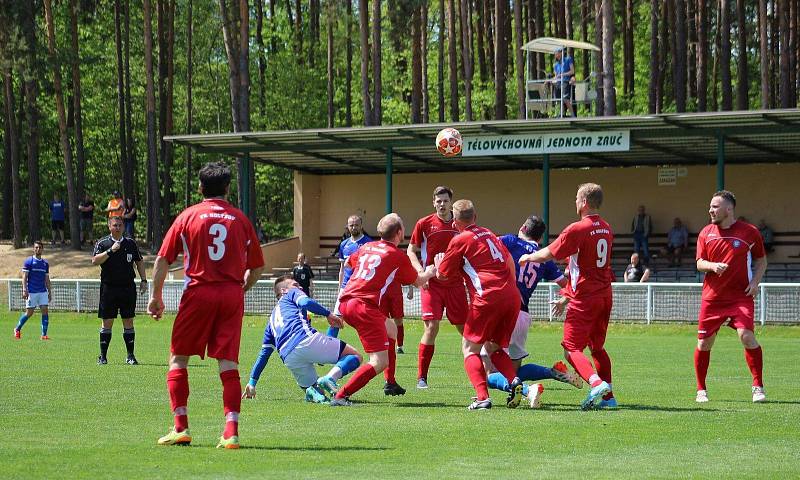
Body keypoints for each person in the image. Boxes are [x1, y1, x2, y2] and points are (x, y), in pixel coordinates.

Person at [148, 161, 265, 449]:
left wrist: (156, 296)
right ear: (227, 188)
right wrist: (241, 288)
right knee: (228, 363)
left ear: (201, 188)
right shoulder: (240, 219)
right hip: (230, 295)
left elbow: (163, 259)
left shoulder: (188, 216)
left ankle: (181, 428)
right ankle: (231, 432)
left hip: (198, 293)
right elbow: (258, 267)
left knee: (178, 359)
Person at [519, 183, 616, 410]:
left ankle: (595, 383)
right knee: (598, 348)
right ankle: (609, 398)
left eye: (576, 198)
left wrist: (528, 258)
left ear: (583, 202)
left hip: (585, 298)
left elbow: (550, 252)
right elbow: (582, 266)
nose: (574, 202)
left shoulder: (578, 229)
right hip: (604, 295)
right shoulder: (607, 228)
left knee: (571, 348)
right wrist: (565, 296)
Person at [330, 213, 437, 406]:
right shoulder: (396, 255)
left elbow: (348, 263)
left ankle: (390, 382)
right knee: (379, 361)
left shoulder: (367, 246)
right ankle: (341, 396)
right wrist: (430, 271)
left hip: (347, 301)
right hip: (363, 306)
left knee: (392, 329)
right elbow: (419, 281)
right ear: (399, 232)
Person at [434, 200, 524, 410]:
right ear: (475, 217)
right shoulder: (489, 233)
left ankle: (482, 397)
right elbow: (509, 261)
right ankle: (514, 381)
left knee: (469, 349)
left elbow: (443, 275)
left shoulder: (460, 239)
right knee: (493, 346)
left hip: (487, 296)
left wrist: (439, 264)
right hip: (511, 294)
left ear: (455, 222)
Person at [484, 215, 582, 408]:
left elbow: (487, 247)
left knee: (487, 374)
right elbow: (568, 284)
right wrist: (563, 301)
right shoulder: (544, 257)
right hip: (523, 316)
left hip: (504, 310)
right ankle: (552, 372)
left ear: (522, 227)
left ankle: (529, 391)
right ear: (539, 238)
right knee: (513, 371)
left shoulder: (511, 241)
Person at [694, 190, 767, 403]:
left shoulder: (749, 232)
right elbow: (699, 263)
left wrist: (755, 283)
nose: (710, 210)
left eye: (715, 206)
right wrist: (713, 266)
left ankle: (758, 386)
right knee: (704, 344)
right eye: (710, 206)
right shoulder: (705, 233)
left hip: (740, 297)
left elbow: (762, 261)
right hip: (712, 298)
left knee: (746, 335)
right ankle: (701, 390)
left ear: (729, 209)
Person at [243, 275, 361, 403]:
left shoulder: (271, 321)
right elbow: (306, 302)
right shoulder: (291, 293)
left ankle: (312, 393)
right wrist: (328, 314)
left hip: (289, 357)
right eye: (295, 284)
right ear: (284, 290)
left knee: (315, 389)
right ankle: (330, 378)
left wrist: (252, 382)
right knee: (355, 356)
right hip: (304, 340)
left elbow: (264, 354)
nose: (299, 287)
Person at [407, 186, 468, 389]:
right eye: (438, 201)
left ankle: (483, 369)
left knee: (465, 329)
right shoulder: (424, 224)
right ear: (433, 202)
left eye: (445, 201)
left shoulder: (460, 224)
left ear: (451, 203)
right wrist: (421, 274)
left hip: (455, 283)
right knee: (431, 327)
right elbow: (411, 250)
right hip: (432, 285)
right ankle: (421, 377)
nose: (442, 204)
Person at [92, 216, 148, 365]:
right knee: (107, 322)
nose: (118, 227)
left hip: (127, 288)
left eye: (120, 225)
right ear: (109, 227)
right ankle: (103, 357)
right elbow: (95, 260)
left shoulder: (130, 243)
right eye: (115, 225)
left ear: (124, 227)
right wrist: (111, 250)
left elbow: (139, 261)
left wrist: (143, 280)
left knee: (128, 320)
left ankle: (130, 356)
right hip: (108, 288)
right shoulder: (103, 243)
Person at [328, 215, 373, 338]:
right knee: (336, 317)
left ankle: (374, 347)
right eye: (351, 225)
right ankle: (329, 344)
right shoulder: (344, 244)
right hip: (346, 286)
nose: (354, 227)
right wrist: (339, 288)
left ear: (361, 226)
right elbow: (342, 269)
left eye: (356, 224)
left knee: (366, 317)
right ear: (347, 227)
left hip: (361, 286)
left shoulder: (368, 243)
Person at [14, 241, 52, 340]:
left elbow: (47, 279)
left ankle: (44, 335)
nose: (38, 249)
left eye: (40, 247)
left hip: (42, 291)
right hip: (32, 292)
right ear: (33, 249)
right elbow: (24, 277)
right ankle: (17, 329)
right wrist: (24, 289)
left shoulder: (45, 264)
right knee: (29, 313)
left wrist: (49, 292)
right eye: (36, 247)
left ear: (42, 249)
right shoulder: (29, 262)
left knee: (45, 311)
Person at [550, 47, 575, 117]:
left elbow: (572, 71)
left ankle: (573, 115)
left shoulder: (568, 59)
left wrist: (563, 74)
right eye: (555, 54)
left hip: (565, 81)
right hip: (558, 83)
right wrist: (550, 81)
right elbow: (556, 76)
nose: (556, 55)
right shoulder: (555, 65)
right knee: (559, 100)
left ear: (561, 53)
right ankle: (562, 114)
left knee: (565, 99)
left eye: (557, 53)